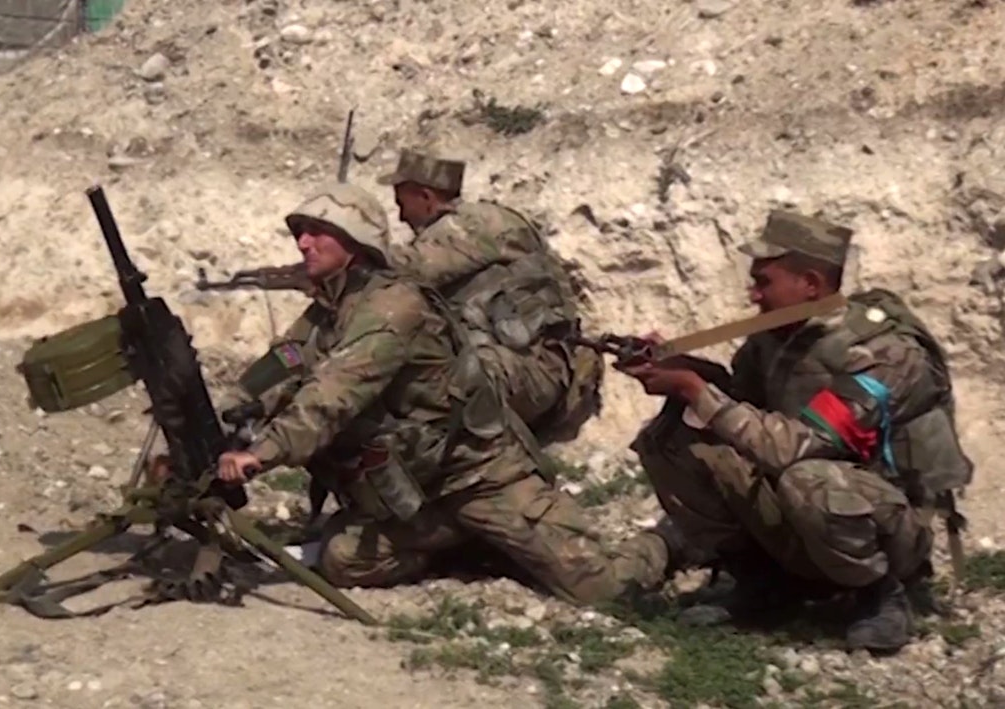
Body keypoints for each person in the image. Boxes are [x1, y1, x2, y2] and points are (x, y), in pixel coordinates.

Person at [213, 182, 670, 604]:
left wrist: (262, 452)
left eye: (316, 233)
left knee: (601, 589)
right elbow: (288, 362)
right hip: (417, 491)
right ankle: (468, 542)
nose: (302, 244)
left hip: (478, 476)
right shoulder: (334, 309)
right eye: (300, 233)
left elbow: (334, 393)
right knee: (342, 559)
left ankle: (674, 540)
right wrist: (230, 410)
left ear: (355, 241)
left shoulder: (394, 307)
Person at [613, 209, 974, 652]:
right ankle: (764, 584)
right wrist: (685, 370)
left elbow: (799, 445)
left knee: (809, 477)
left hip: (885, 521)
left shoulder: (883, 354)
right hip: (808, 507)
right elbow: (744, 409)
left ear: (811, 285)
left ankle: (878, 595)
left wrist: (694, 389)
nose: (753, 295)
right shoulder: (775, 341)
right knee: (671, 440)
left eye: (764, 281)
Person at [376, 149, 603, 449]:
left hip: (536, 370)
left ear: (426, 196)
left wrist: (344, 255)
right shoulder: (465, 229)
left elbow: (407, 269)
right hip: (516, 368)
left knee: (436, 382)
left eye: (402, 204)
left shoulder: (474, 226)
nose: (402, 217)